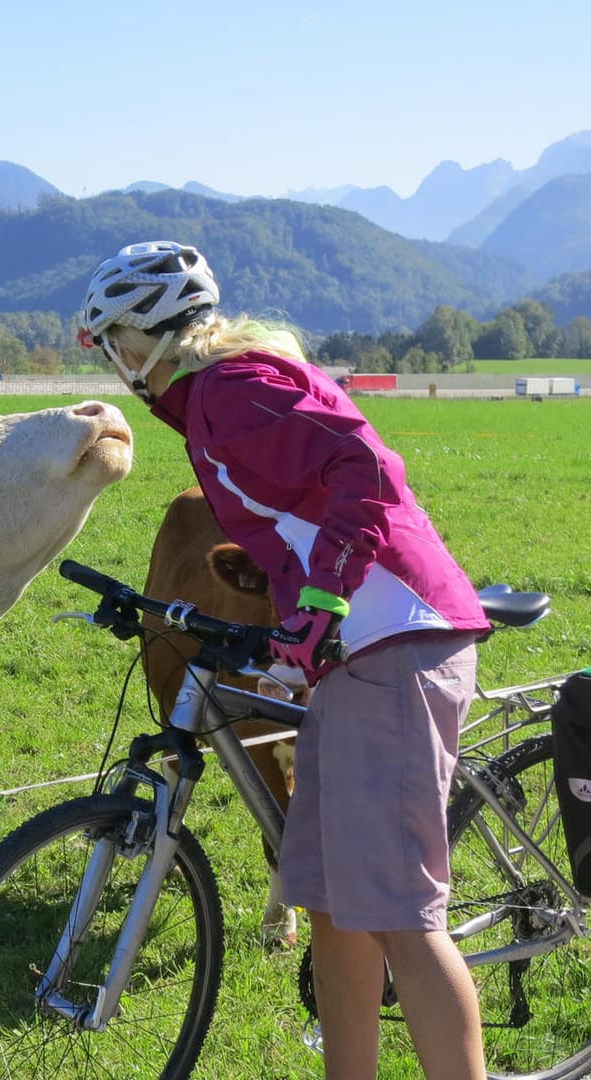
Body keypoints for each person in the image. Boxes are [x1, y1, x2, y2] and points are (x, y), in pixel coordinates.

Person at [78, 241, 494, 1080]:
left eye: (116, 342)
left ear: (149, 339)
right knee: (337, 908)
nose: (118, 365)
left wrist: (326, 599)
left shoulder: (233, 390)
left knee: (404, 919)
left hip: (396, 638)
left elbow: (369, 471)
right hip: (357, 654)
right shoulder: (212, 403)